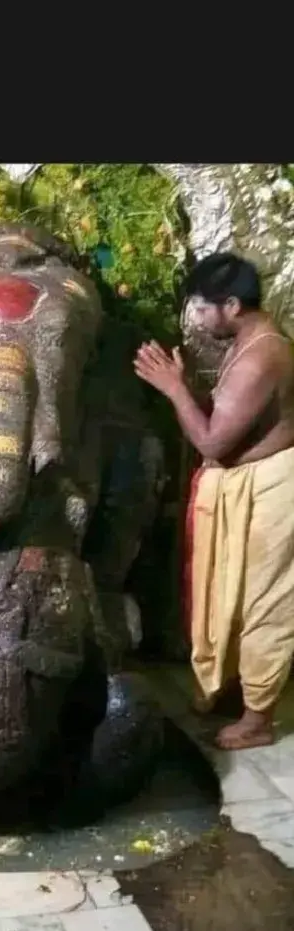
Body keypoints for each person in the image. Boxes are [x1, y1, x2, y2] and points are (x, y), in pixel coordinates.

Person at [133, 252, 294, 750]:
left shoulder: (265, 354)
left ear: (231, 305)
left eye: (202, 310)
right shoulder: (247, 342)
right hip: (245, 487)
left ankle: (259, 719)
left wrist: (174, 389)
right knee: (232, 595)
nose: (197, 320)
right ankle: (233, 691)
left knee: (266, 601)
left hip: (272, 490)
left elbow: (212, 443)